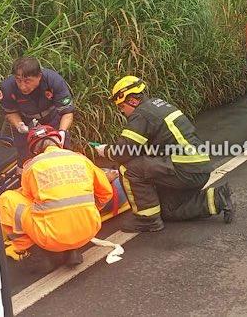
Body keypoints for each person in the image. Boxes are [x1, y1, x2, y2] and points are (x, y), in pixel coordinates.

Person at [94, 75, 234, 232]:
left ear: (132, 100)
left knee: (128, 168)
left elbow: (123, 152)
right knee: (169, 209)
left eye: (121, 107)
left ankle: (147, 220)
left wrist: (104, 150)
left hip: (184, 169)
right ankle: (219, 198)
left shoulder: (141, 114)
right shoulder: (158, 106)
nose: (122, 112)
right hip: (197, 168)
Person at [0, 125, 116, 274]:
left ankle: (32, 252)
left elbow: (29, 197)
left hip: (52, 238)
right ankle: (72, 249)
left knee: (7, 200)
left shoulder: (32, 166)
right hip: (89, 230)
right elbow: (106, 192)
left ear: (34, 151)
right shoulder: (80, 159)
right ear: (59, 142)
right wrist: (87, 211)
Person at [0, 57, 75, 166]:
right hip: (26, 123)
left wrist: (62, 132)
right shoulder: (7, 87)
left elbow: (67, 113)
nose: (22, 86)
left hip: (53, 119)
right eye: (18, 80)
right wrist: (19, 126)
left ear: (39, 76)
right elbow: (10, 112)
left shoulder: (53, 81)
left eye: (27, 81)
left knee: (62, 155)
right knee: (26, 159)